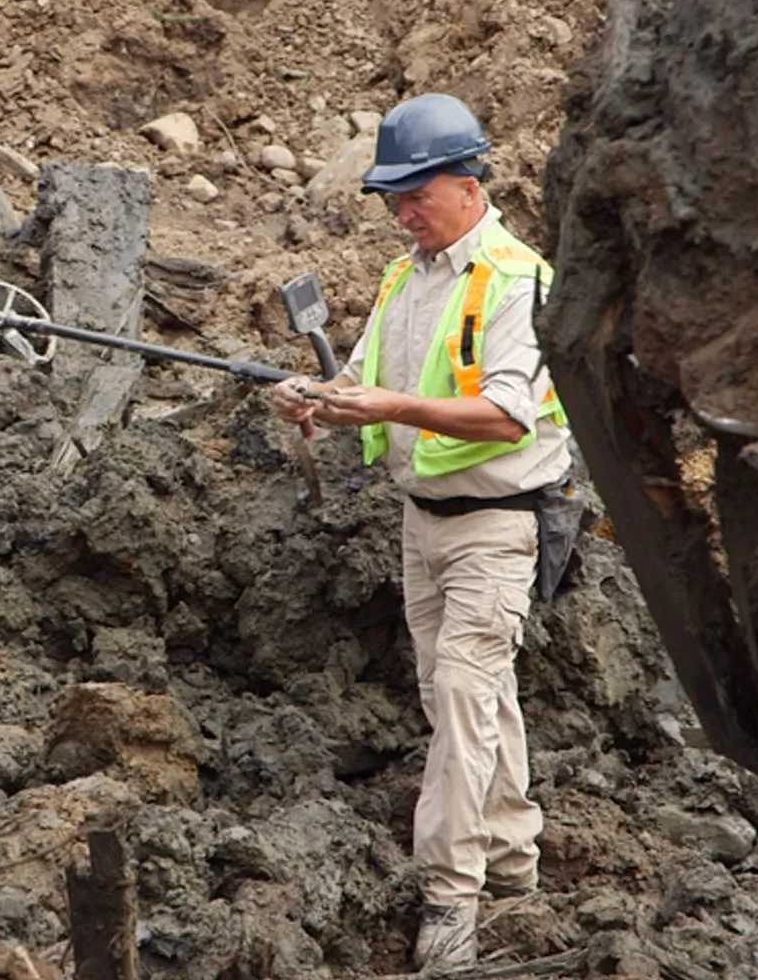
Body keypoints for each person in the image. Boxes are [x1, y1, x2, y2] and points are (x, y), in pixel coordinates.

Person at [270, 93, 573, 969]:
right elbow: (363, 380)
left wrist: (391, 403)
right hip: (423, 522)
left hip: (498, 526)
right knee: (466, 698)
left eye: (415, 194)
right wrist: (311, 399)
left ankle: (451, 900)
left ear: (469, 183)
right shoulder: (407, 277)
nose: (402, 212)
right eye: (392, 198)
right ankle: (514, 857)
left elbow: (507, 415)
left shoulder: (519, 282)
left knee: (464, 699)